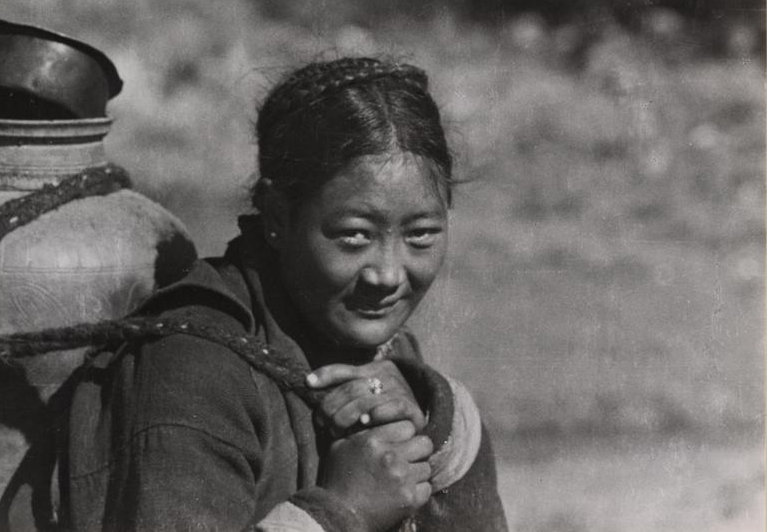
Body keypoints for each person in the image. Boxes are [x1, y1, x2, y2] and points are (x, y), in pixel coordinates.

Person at [63, 57, 508, 531]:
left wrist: (431, 419)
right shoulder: (192, 370)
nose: (388, 274)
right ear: (276, 217)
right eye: (354, 235)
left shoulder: (375, 345)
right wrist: (342, 513)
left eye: (421, 235)